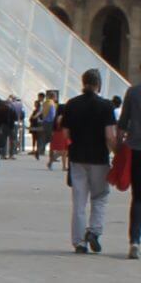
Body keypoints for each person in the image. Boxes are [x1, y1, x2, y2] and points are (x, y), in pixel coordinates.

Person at [61, 69, 117, 254]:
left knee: (79, 201)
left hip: (77, 158)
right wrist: (116, 153)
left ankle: (79, 242)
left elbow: (66, 133)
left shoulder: (72, 104)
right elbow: (109, 135)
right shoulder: (106, 106)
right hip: (99, 159)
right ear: (98, 84)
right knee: (99, 197)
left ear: (82, 82)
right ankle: (94, 231)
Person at [119, 71, 141, 259]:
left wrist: (118, 148)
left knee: (138, 198)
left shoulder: (133, 93)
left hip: (137, 149)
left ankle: (135, 241)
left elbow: (123, 122)